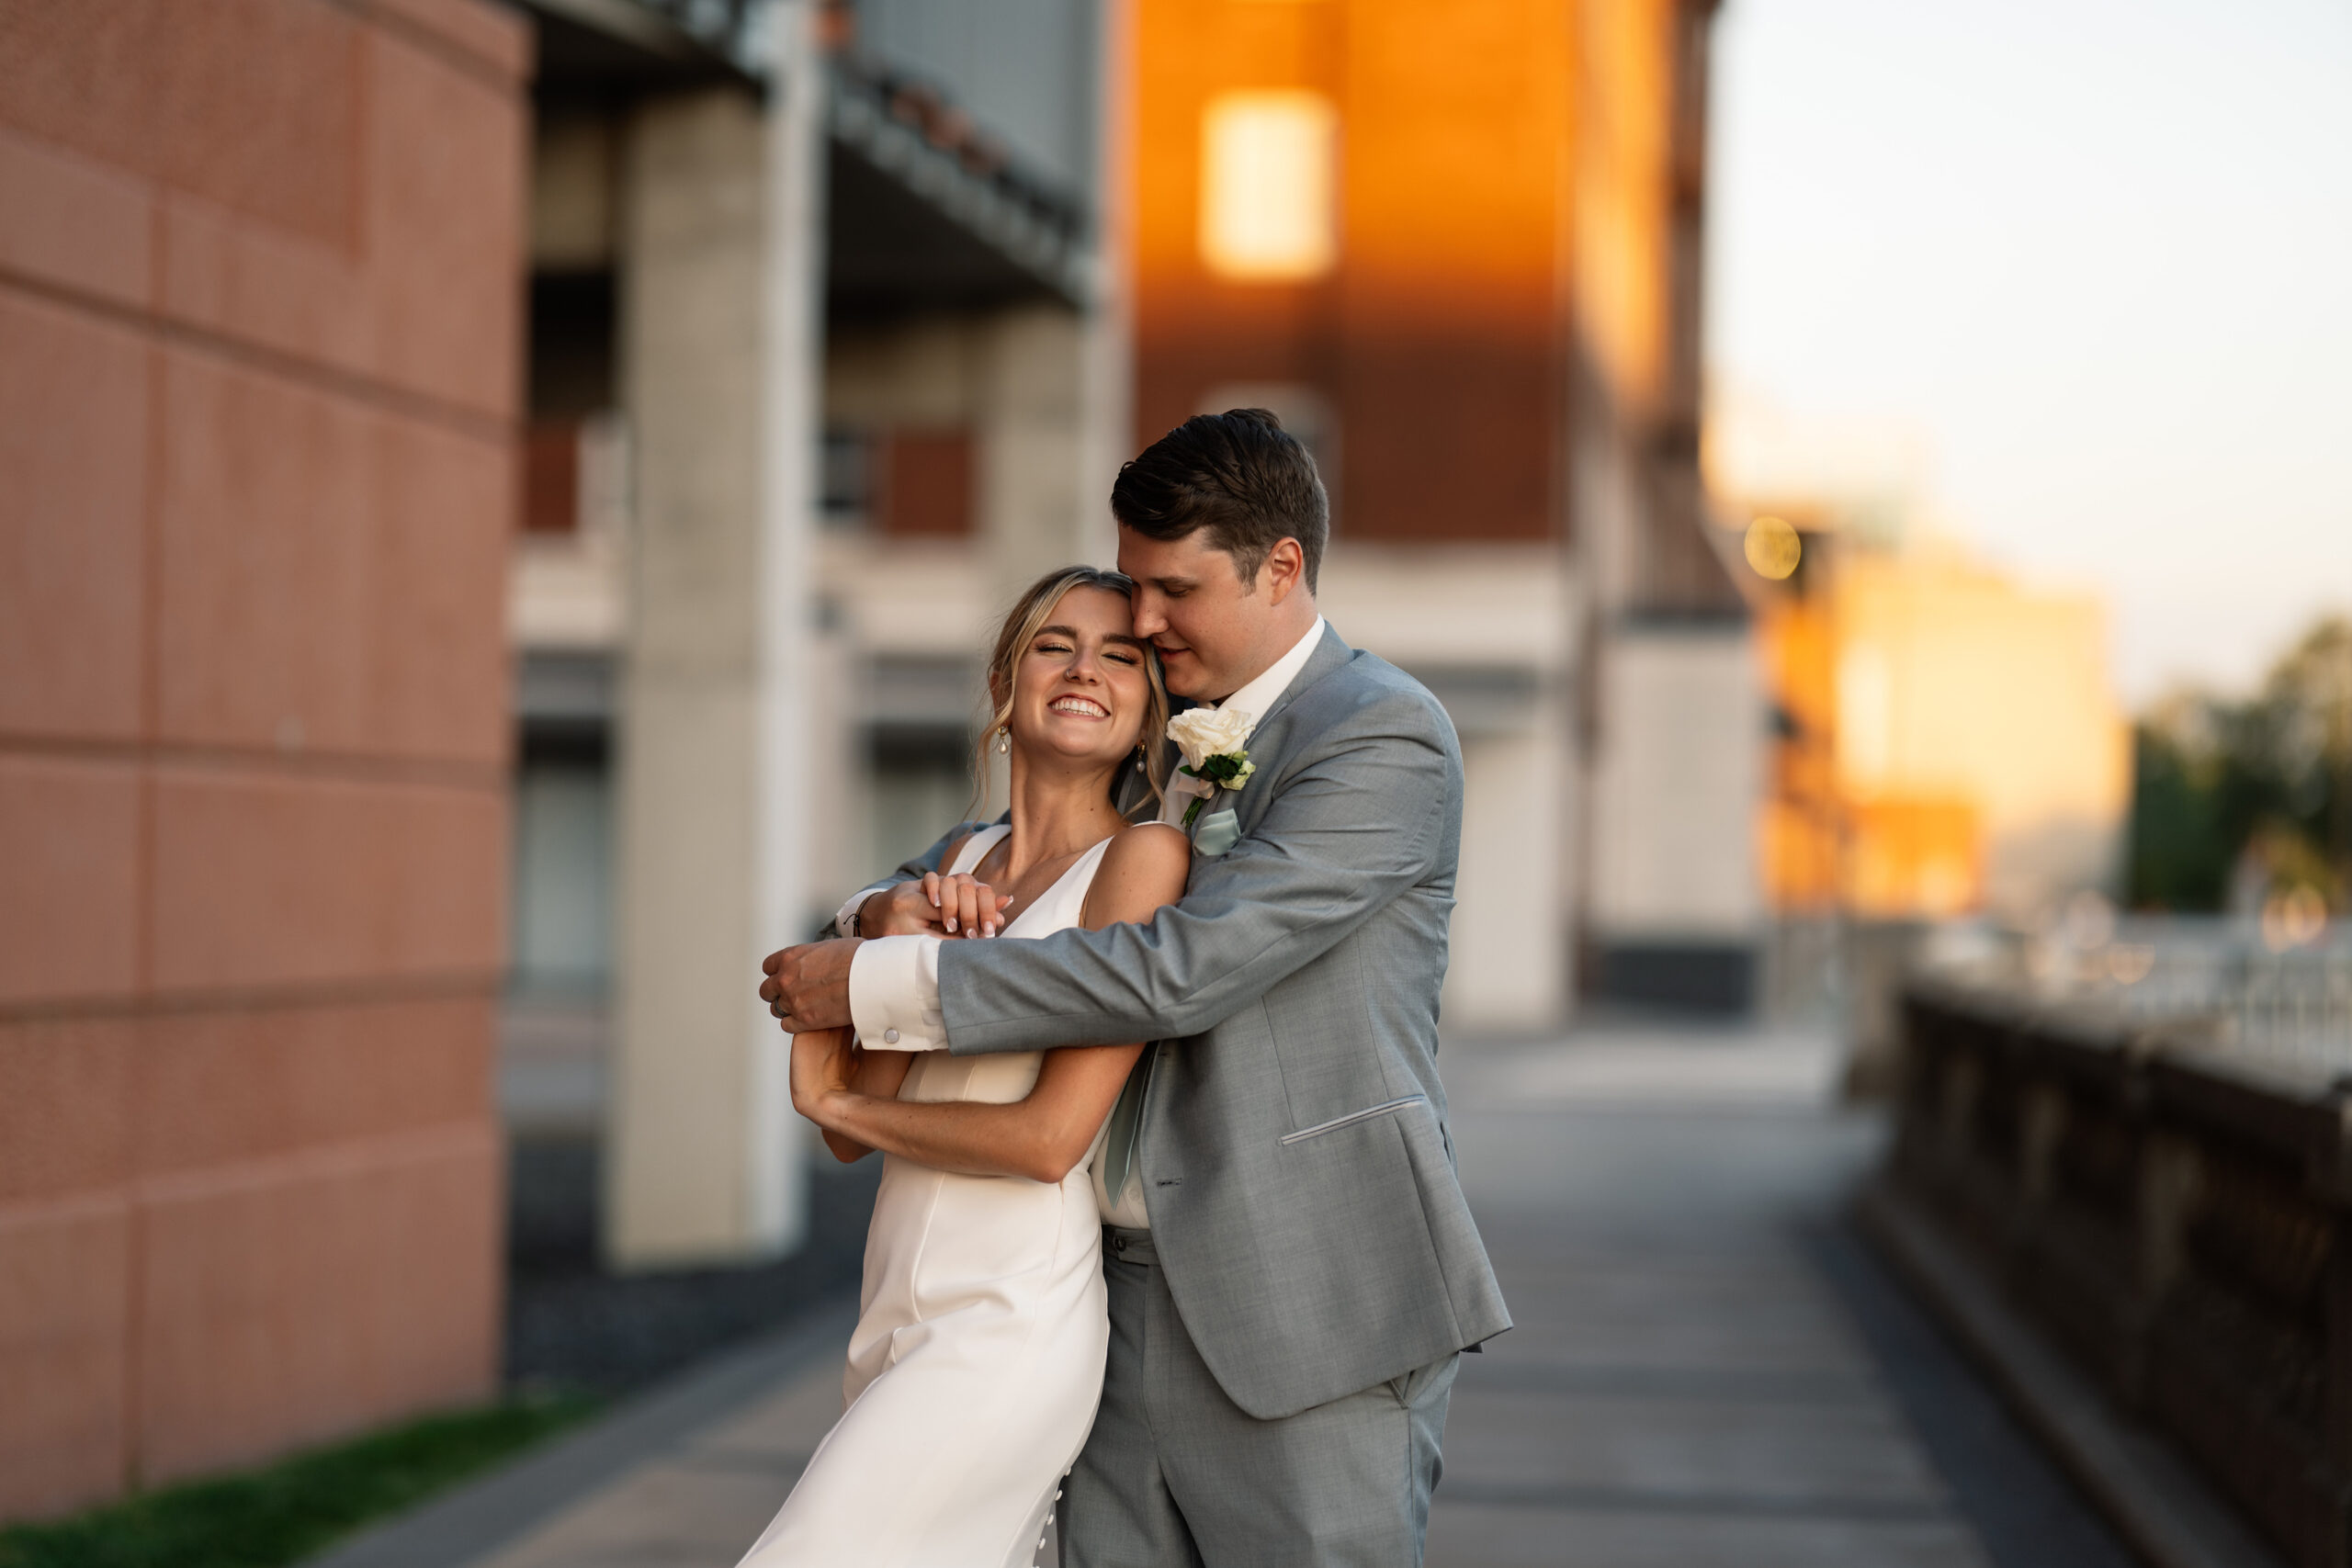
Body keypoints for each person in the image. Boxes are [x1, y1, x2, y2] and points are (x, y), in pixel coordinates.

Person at [763, 409, 1510, 1566]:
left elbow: (1181, 970)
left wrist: (884, 983)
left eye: (1169, 592)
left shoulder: (1381, 738)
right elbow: (995, 855)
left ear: (1280, 568)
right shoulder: (1157, 737)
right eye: (1128, 594)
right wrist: (875, 916)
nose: (1141, 626)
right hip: (1100, 1299)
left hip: (1299, 1295)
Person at [735, 567, 1192, 1568]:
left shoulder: (1140, 862)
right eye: (1053, 645)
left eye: (1121, 657)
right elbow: (847, 1112)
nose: (1085, 670)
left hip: (1009, 1323)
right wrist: (873, 923)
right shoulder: (959, 859)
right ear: (1005, 680)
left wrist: (829, 1089)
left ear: (1149, 710)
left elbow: (1045, 1140)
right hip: (894, 1305)